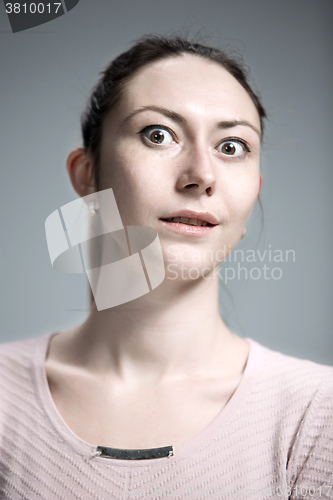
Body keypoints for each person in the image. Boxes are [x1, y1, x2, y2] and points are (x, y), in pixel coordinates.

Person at [0, 34, 332, 500]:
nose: (202, 174)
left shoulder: (316, 417)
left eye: (232, 146)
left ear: (254, 189)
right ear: (87, 174)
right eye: (158, 135)